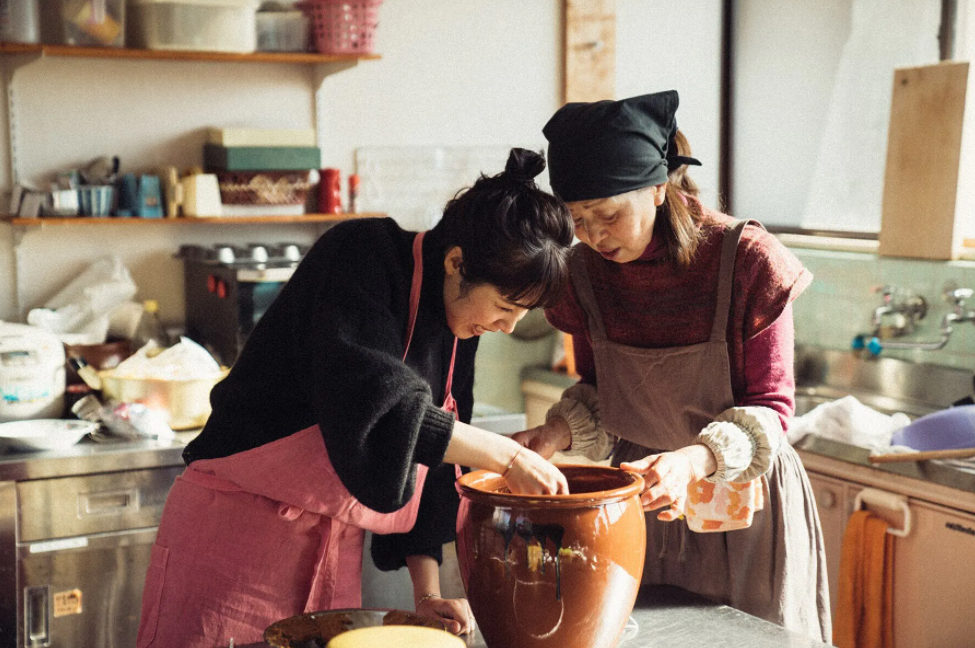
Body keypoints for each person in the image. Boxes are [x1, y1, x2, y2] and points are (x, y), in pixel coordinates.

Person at [136, 148, 575, 648]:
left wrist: (427, 594)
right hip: (237, 539)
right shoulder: (360, 256)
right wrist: (508, 456)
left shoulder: (461, 328)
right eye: (504, 307)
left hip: (333, 551)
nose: (507, 327)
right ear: (457, 262)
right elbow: (382, 407)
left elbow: (434, 466)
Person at [513, 92, 831, 642]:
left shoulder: (747, 262)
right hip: (642, 500)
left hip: (742, 500)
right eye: (578, 219)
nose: (594, 236)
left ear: (659, 187)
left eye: (609, 214)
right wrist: (555, 433)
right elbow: (600, 390)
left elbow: (773, 408)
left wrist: (691, 462)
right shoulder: (583, 275)